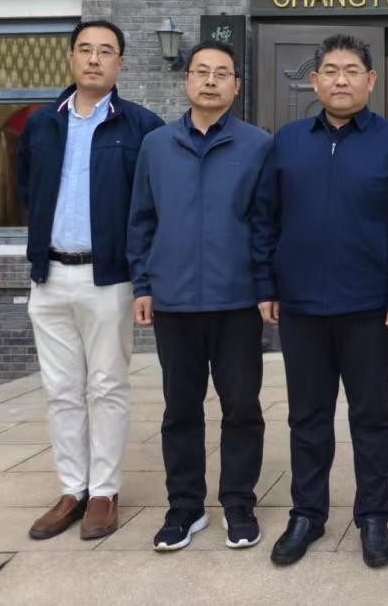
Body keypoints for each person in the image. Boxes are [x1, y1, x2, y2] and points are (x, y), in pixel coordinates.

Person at [251, 34, 388, 569]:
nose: (341, 80)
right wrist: (265, 285)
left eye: (352, 71)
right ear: (315, 81)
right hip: (301, 306)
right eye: (331, 71)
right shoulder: (287, 142)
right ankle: (307, 513)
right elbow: (264, 219)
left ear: (370, 81)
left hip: (370, 308)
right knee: (307, 417)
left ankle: (373, 515)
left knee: (371, 417)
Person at [18, 19, 164, 541]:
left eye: (106, 51)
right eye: (85, 49)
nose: (94, 59)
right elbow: (26, 190)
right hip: (50, 275)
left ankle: (103, 491)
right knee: (60, 389)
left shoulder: (142, 127)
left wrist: (143, 278)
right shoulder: (41, 124)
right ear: (71, 59)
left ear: (121, 63)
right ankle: (71, 489)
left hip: (108, 278)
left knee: (106, 385)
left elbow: (151, 206)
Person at [127, 40, 271, 552]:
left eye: (222, 73)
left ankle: (238, 503)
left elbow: (266, 224)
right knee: (180, 409)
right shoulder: (156, 145)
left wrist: (265, 286)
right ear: (187, 80)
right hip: (175, 300)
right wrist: (143, 284)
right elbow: (141, 219)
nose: (211, 81)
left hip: (238, 301)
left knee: (242, 407)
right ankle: (185, 507)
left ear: (237, 85)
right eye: (201, 71)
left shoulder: (258, 145)